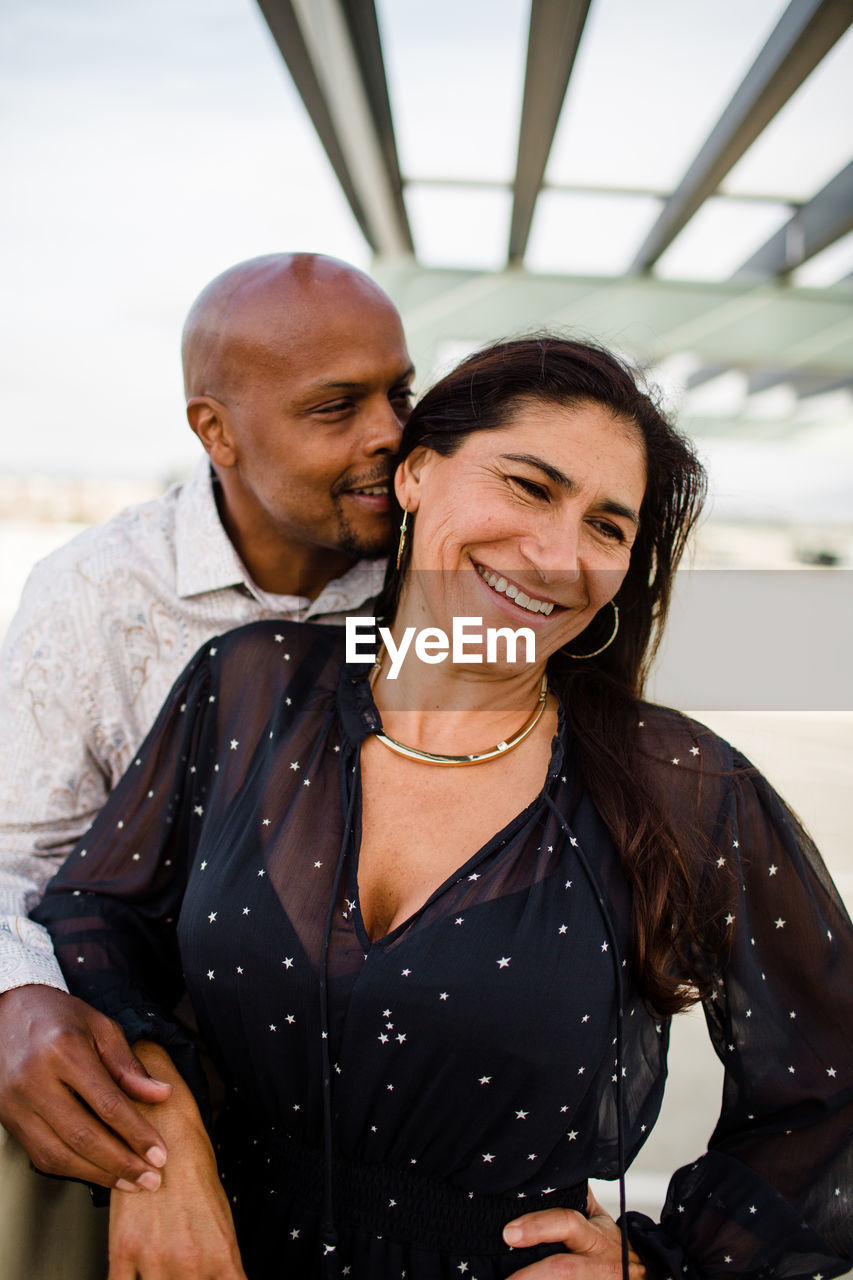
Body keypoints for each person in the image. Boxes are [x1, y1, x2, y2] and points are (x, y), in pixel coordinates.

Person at [32, 338, 852, 1280]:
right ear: (417, 474)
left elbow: (831, 1082)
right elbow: (96, 910)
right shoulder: (255, 684)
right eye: (529, 487)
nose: (555, 555)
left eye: (607, 527)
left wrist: (655, 1268)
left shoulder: (681, 782)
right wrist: (157, 1128)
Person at [0, 252, 413, 1259]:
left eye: (401, 390)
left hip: (399, 1098)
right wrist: (17, 998)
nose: (391, 433)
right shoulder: (94, 595)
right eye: (337, 405)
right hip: (163, 1074)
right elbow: (11, 856)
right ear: (214, 430)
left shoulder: (450, 573)